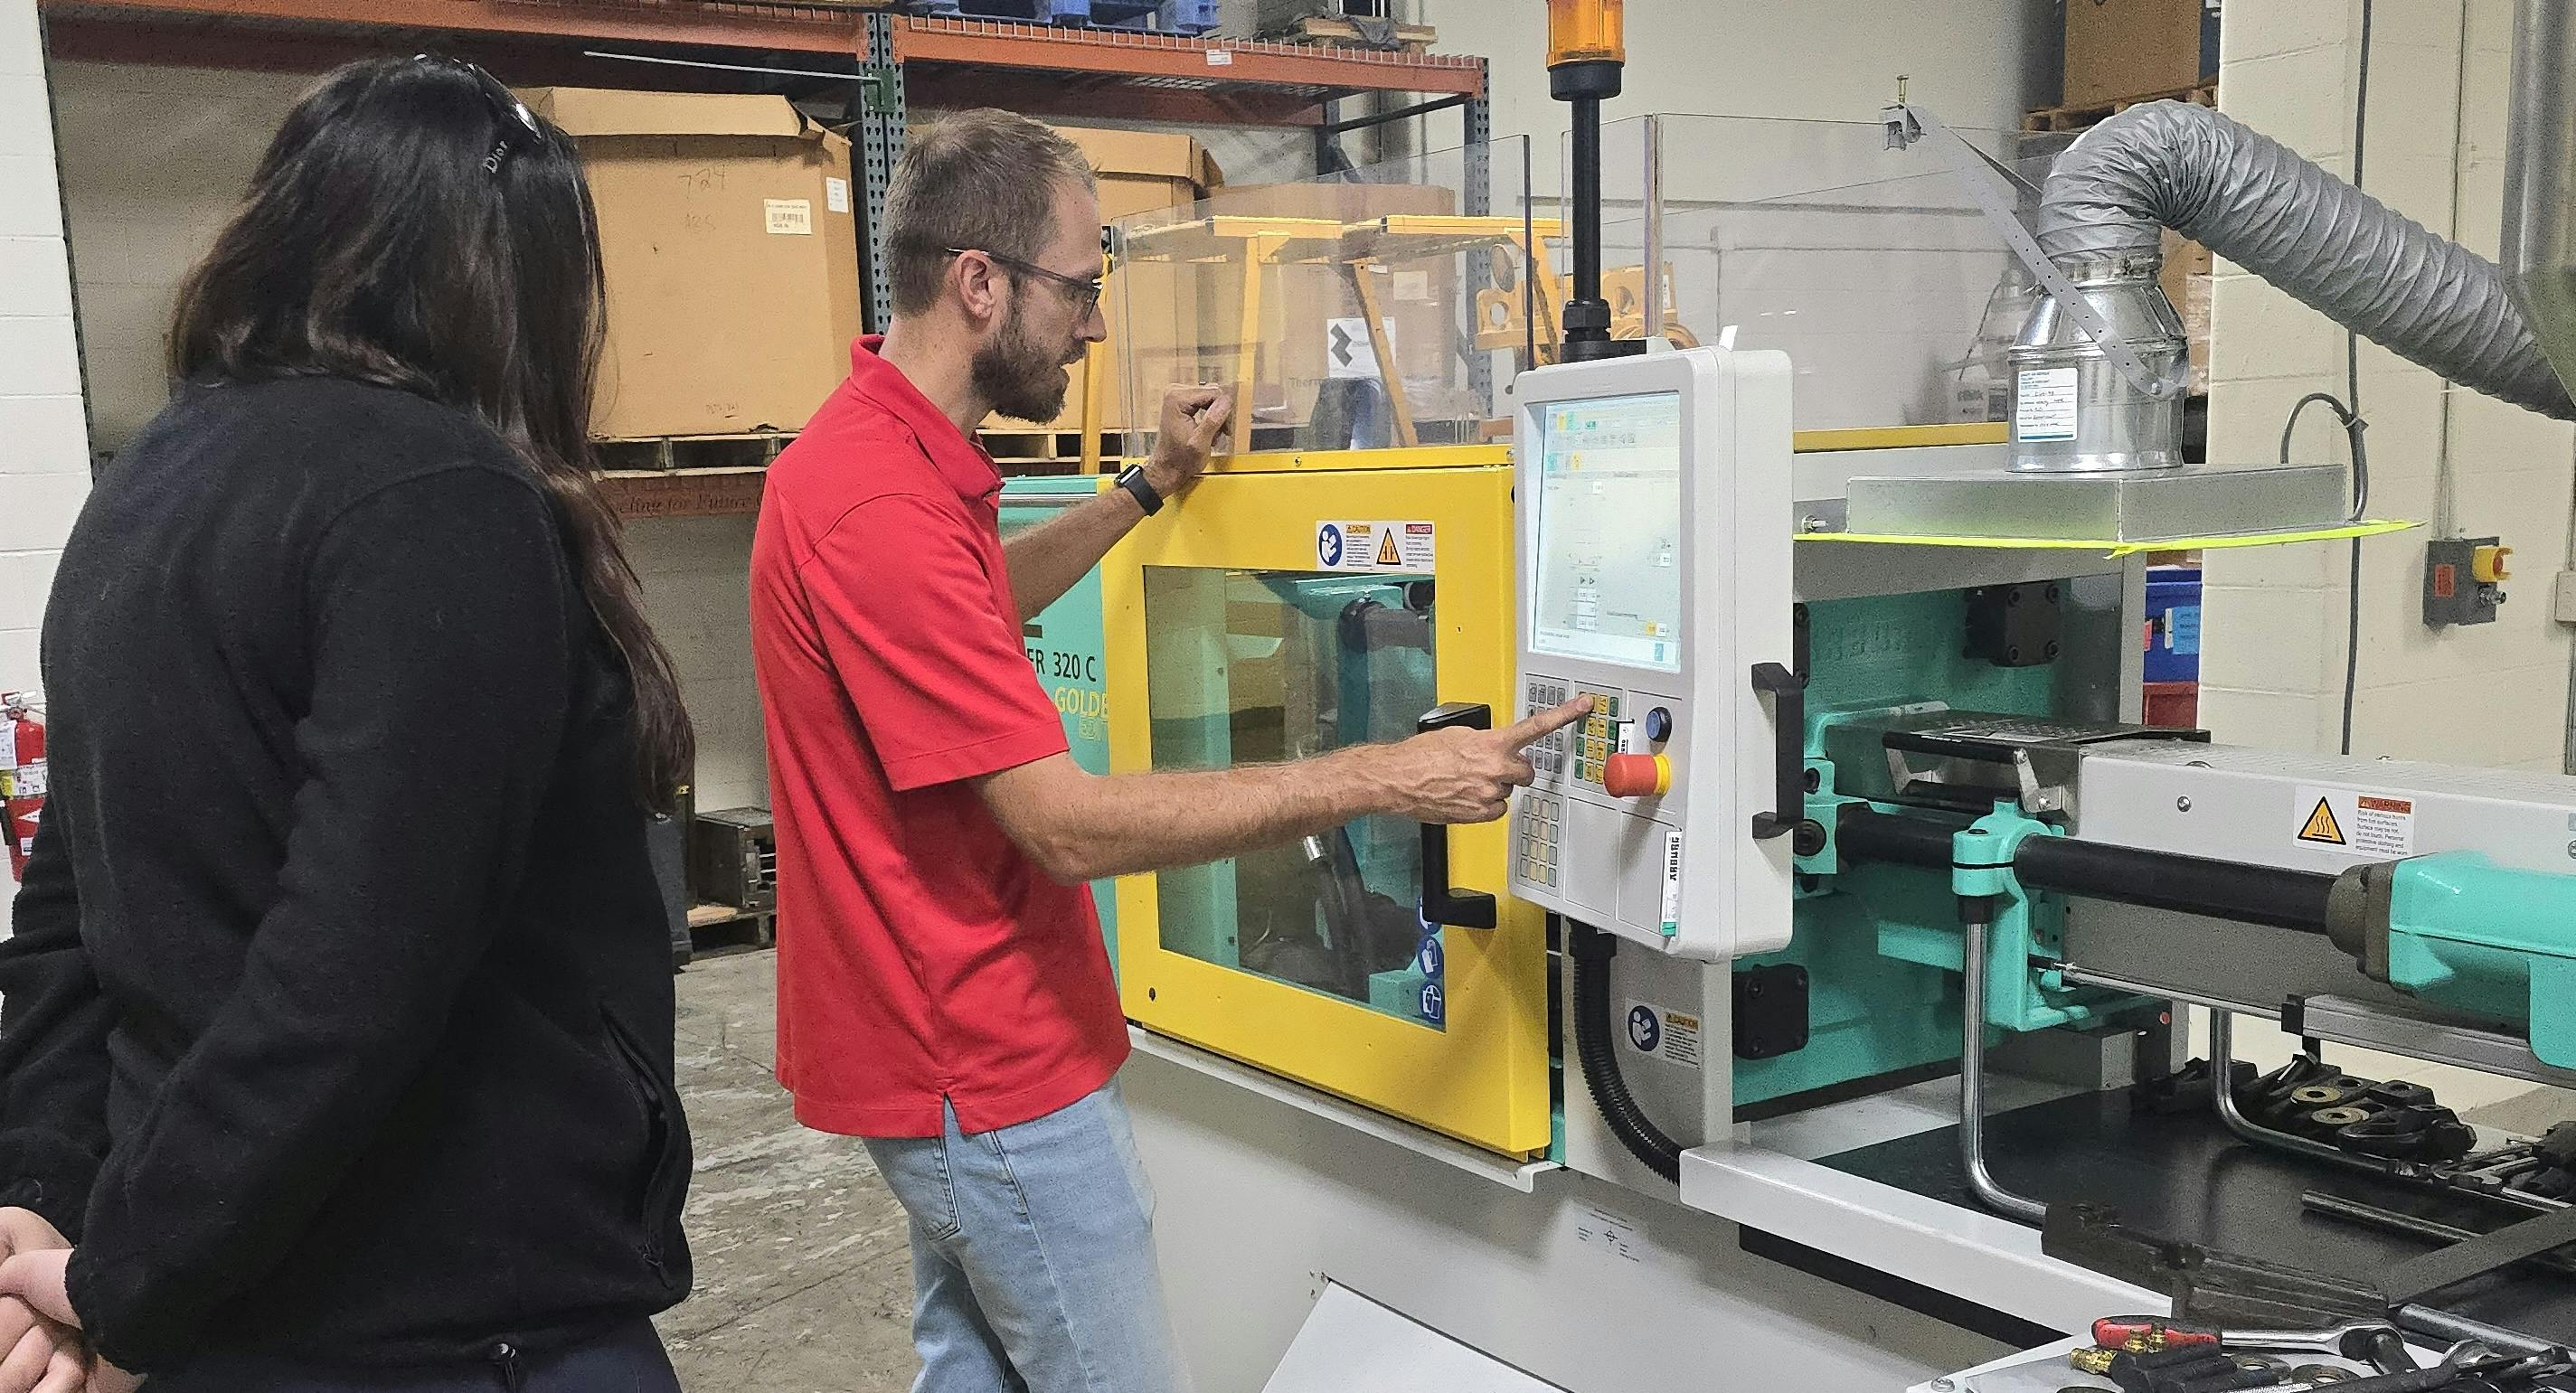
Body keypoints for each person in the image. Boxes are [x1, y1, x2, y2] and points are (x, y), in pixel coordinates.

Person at [749, 108, 1589, 1393]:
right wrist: (1387, 774)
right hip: (979, 1057)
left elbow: (971, 600)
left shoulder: (872, 457)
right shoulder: (878, 505)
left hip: (939, 1050)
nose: (1094, 325)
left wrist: (1145, 488)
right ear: (978, 283)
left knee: (973, 1369)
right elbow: (1063, 824)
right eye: (1079, 289)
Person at [0, 55, 697, 1390]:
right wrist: (124, 1274)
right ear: (513, 284)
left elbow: (65, 912)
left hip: (235, 1306)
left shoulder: (145, 483)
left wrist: (48, 1193)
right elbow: (351, 964)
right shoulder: (445, 498)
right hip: (449, 1324)